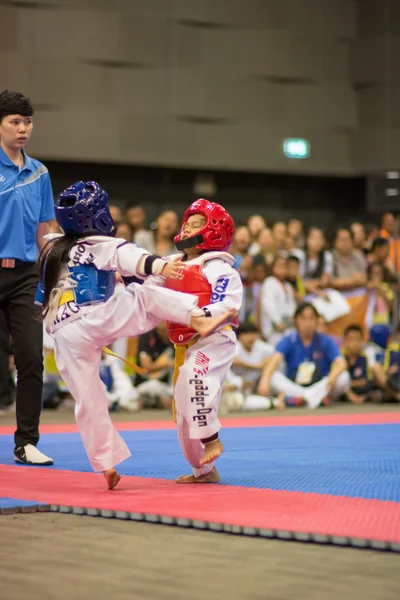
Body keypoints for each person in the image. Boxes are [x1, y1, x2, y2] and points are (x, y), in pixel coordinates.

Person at [37, 182, 234, 490]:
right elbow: (129, 256)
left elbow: (42, 298)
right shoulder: (95, 243)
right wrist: (161, 266)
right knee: (146, 297)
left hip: (62, 331)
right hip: (95, 317)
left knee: (88, 400)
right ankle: (196, 316)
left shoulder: (52, 249)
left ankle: (106, 464)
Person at [163, 199, 242, 484]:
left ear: (214, 232)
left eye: (196, 225)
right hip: (184, 345)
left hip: (214, 337)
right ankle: (204, 471)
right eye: (186, 225)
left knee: (193, 378)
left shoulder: (218, 267)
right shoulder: (171, 264)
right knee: (184, 419)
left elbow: (227, 303)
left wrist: (201, 317)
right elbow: (147, 289)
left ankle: (212, 440)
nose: (187, 230)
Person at [0, 90, 55, 464]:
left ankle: (26, 443)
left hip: (24, 276)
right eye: (14, 122)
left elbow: (45, 229)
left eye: (27, 122)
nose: (23, 129)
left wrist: (56, 275)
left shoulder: (39, 172)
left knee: (32, 357)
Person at [258, 303, 350, 408]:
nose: (307, 323)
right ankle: (313, 398)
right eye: (303, 318)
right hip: (295, 386)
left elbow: (341, 363)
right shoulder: (289, 340)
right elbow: (274, 360)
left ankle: (303, 399)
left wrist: (333, 376)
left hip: (320, 384)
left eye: (311, 318)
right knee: (273, 377)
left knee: (344, 377)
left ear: (317, 321)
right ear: (296, 320)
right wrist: (264, 381)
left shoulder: (326, 341)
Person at [342, 325, 384, 404]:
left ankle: (363, 398)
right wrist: (353, 384)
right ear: (344, 341)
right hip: (346, 390)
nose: (354, 344)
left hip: (362, 389)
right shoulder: (340, 357)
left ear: (362, 341)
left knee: (376, 391)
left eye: (357, 340)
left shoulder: (365, 357)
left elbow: (366, 381)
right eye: (351, 339)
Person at [259, 256, 296, 344]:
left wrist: (293, 317)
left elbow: (292, 304)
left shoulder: (288, 286)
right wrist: (277, 321)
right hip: (274, 327)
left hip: (288, 324)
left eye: (285, 266)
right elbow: (268, 305)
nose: (282, 269)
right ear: (273, 268)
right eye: (279, 266)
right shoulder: (269, 282)